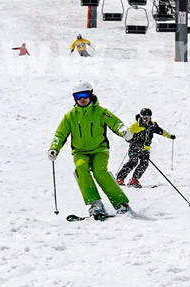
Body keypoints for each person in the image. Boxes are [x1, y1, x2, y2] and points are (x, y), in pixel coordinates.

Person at [48, 81, 134, 220]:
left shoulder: (101, 112)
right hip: (80, 152)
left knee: (100, 172)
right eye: (78, 96)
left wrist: (123, 131)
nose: (82, 99)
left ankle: (121, 204)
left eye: (85, 95)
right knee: (81, 168)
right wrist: (54, 148)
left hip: (100, 150)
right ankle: (95, 204)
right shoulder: (71, 116)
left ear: (91, 95)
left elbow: (116, 123)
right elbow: (60, 134)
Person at [116, 107, 175, 188]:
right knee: (133, 162)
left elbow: (161, 131)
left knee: (144, 164)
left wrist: (170, 136)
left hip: (145, 149)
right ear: (140, 117)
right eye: (144, 118)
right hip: (135, 148)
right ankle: (120, 178)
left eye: (148, 118)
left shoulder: (152, 125)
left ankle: (134, 179)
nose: (146, 120)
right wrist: (134, 142)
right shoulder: (135, 126)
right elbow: (127, 137)